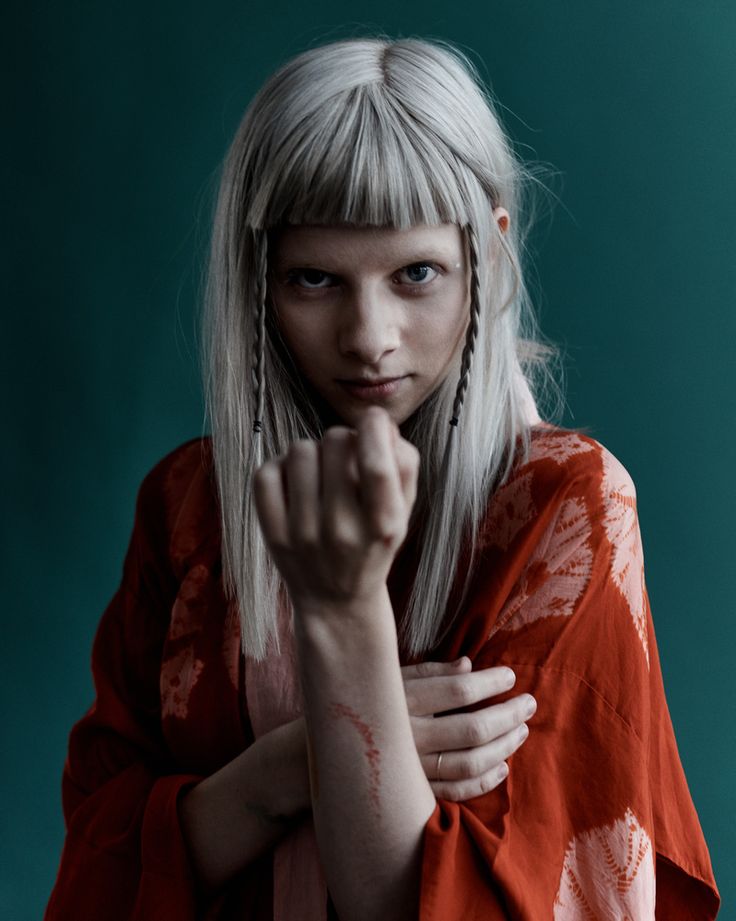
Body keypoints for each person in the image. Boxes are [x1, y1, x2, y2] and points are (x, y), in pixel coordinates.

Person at [45, 35, 720, 921]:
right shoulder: (186, 507)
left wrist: (343, 608)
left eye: (417, 274)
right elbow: (97, 863)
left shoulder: (566, 511)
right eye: (316, 279)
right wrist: (289, 770)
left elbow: (433, 906)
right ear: (258, 281)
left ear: (488, 252)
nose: (369, 335)